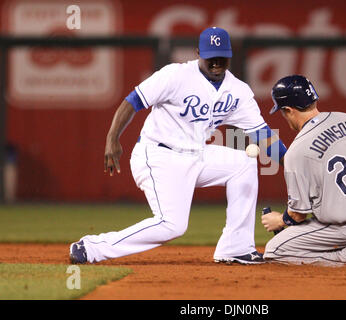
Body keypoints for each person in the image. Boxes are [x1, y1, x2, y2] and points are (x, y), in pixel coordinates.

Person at [69, 27, 286, 265]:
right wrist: (113, 138)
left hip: (197, 154)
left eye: (221, 57)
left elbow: (263, 136)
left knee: (243, 163)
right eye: (210, 57)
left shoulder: (238, 91)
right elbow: (133, 101)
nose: (216, 63)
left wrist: (294, 163)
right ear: (198, 53)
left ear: (230, 55)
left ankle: (236, 247)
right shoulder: (175, 75)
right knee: (172, 226)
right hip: (158, 155)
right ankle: (91, 247)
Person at [261, 75, 346, 266]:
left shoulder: (296, 152)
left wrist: (280, 220)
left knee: (275, 251)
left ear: (288, 110)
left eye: (282, 111)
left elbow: (297, 215)